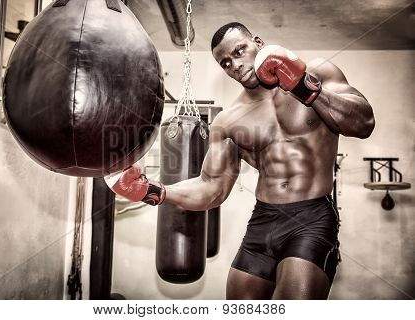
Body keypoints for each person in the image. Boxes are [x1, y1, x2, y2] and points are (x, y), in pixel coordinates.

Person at [105, 22, 375, 299]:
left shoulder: (317, 71)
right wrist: (151, 191)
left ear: (257, 42)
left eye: (239, 51)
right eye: (225, 63)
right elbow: (211, 188)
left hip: (311, 217)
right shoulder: (228, 120)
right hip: (263, 221)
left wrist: (304, 86)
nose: (234, 64)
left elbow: (363, 123)